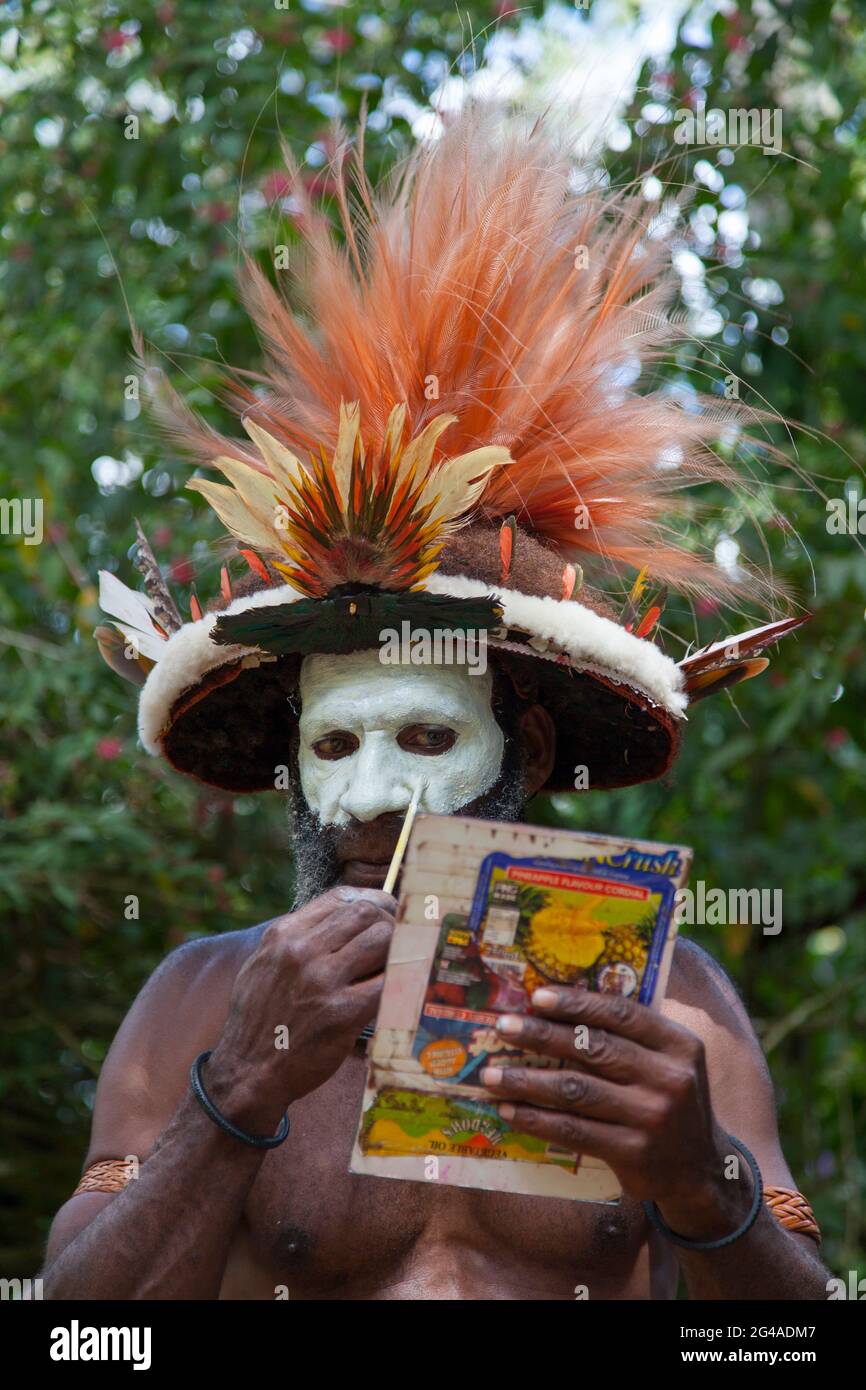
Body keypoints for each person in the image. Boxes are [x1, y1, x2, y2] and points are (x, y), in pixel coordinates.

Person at [44, 105, 826, 1300]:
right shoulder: (204, 1002)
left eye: (423, 735)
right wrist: (237, 1097)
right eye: (334, 744)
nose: (372, 801)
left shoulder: (667, 1007)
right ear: (291, 766)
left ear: (528, 742)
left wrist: (693, 1181)